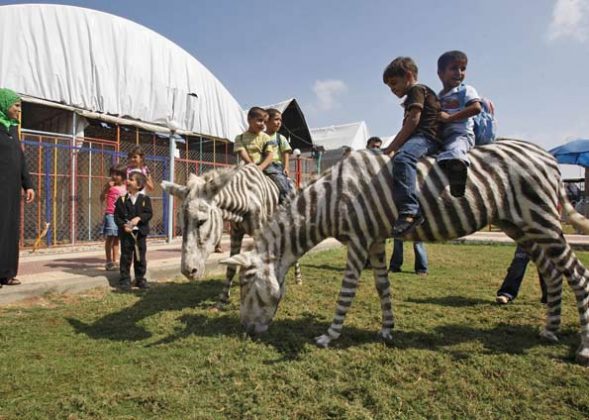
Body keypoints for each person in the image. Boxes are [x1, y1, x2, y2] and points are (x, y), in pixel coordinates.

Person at [382, 56, 442, 237]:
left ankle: (410, 210)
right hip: (420, 136)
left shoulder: (416, 90)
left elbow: (413, 121)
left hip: (426, 137)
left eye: (394, 83)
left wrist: (391, 147)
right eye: (389, 86)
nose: (392, 89)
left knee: (403, 157)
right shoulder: (414, 94)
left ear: (408, 76)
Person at [0, 88, 35, 287]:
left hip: (12, 190)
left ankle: (8, 273)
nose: (18, 110)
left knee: (11, 229)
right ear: (4, 105)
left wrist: (28, 184)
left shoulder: (12, 128)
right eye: (16, 105)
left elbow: (20, 159)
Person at [436, 50, 482, 197]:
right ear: (441, 73)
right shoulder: (439, 96)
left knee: (455, 149)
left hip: (460, 134)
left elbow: (476, 108)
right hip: (443, 137)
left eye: (462, 69)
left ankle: (458, 177)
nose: (459, 72)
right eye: (453, 68)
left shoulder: (466, 90)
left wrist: (449, 118)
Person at [114, 172, 153, 290]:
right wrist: (123, 226)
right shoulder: (121, 200)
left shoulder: (145, 199)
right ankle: (125, 279)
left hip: (140, 234)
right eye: (128, 179)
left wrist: (139, 218)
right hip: (126, 234)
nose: (128, 181)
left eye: (131, 179)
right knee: (126, 256)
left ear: (139, 184)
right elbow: (117, 216)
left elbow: (149, 213)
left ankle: (140, 278)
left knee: (140, 256)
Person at [99, 163, 127, 271]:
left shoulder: (125, 188)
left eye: (118, 174)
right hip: (110, 215)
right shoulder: (110, 187)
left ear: (123, 176)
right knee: (110, 237)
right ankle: (108, 261)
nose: (115, 176)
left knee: (117, 239)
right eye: (113, 174)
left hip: (120, 216)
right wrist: (106, 189)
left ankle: (115, 261)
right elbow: (101, 198)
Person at [264, 108, 293, 203]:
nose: (279, 122)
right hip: (261, 165)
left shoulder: (280, 138)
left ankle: (287, 202)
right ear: (267, 121)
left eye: (280, 120)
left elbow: (285, 153)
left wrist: (286, 167)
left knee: (284, 186)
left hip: (276, 167)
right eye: (276, 119)